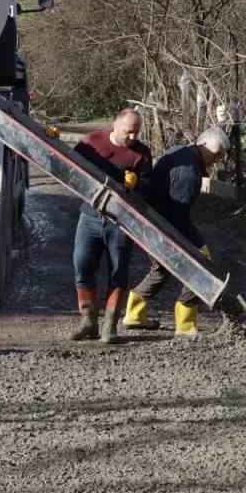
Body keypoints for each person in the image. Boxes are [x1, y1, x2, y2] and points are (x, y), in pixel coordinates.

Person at [124, 126, 230, 339]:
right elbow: (178, 217)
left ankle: (134, 315)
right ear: (204, 144)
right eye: (217, 154)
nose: (218, 159)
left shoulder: (181, 151)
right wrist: (198, 246)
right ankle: (186, 325)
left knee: (161, 270)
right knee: (200, 267)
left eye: (222, 156)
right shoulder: (189, 173)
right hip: (161, 225)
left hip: (149, 220)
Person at [69, 108, 154, 343]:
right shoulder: (91, 142)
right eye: (129, 132)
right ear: (115, 125)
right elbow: (70, 171)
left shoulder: (141, 154)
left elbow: (148, 190)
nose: (133, 137)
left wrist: (136, 185)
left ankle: (110, 325)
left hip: (121, 222)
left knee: (118, 272)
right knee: (82, 266)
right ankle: (88, 321)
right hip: (90, 216)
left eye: (137, 132)